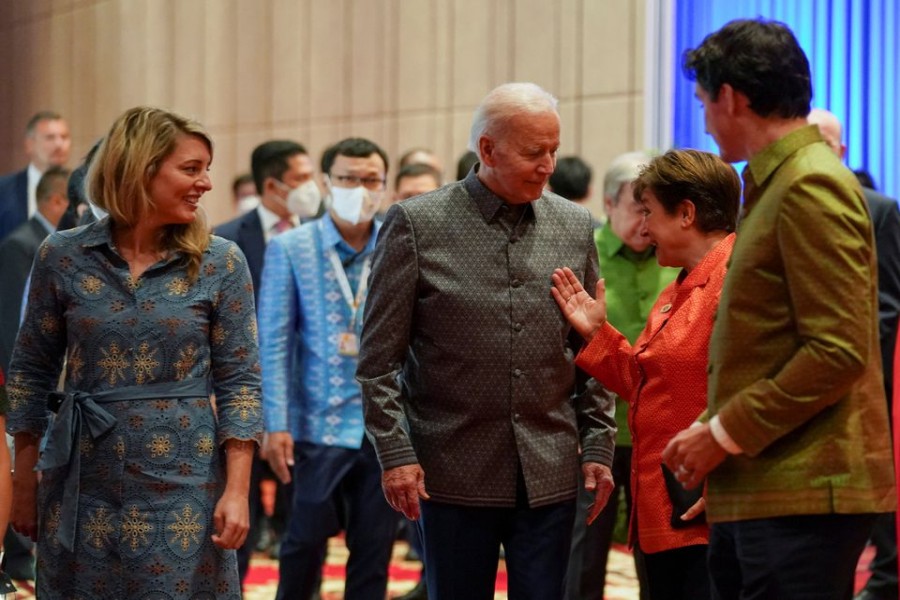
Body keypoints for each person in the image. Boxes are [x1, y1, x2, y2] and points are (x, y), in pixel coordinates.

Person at [661, 18, 896, 599]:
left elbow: (837, 350)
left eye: (703, 102)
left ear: (732, 98)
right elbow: (770, 340)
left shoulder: (809, 184)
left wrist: (722, 431)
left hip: (805, 490)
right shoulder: (777, 182)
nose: (706, 120)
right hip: (773, 481)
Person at [357, 82, 616, 600]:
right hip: (451, 469)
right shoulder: (417, 224)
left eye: (554, 151)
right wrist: (396, 453)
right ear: (488, 150)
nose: (548, 165)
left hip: (550, 467)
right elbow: (378, 362)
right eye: (534, 152)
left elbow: (589, 347)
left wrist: (598, 444)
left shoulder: (574, 224)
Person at [6, 106, 263, 598]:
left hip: (185, 484)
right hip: (80, 480)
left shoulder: (221, 260)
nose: (206, 183)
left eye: (207, 169)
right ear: (141, 169)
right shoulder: (61, 254)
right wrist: (22, 485)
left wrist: (237, 490)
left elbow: (241, 384)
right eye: (191, 169)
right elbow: (29, 373)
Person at [553, 149, 740, 599]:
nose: (643, 228)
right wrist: (597, 334)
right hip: (666, 506)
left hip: (704, 509)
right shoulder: (682, 284)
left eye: (649, 213)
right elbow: (648, 382)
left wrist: (729, 473)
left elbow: (753, 387)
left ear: (686, 214)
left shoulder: (735, 281)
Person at [260, 137, 399, 600]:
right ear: (326, 182)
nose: (358, 188)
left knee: (374, 548)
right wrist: (275, 423)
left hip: (383, 427)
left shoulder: (399, 244)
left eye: (370, 180)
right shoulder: (291, 248)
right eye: (347, 179)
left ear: (384, 186)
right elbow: (274, 342)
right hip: (317, 424)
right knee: (303, 542)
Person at [564, 151, 678, 600]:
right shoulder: (583, 257)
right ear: (609, 204)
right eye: (638, 207)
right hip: (596, 428)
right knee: (583, 555)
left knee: (659, 554)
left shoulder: (674, 259)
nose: (647, 222)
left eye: (654, 209)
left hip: (660, 432)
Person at [215, 140, 318, 584]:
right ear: (272, 185)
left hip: (304, 395)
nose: (312, 188)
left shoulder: (319, 233)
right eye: (302, 179)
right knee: (241, 508)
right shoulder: (225, 239)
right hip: (239, 393)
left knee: (306, 516)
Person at [808, 107, 900, 600]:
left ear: (841, 151)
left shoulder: (877, 209)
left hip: (866, 377)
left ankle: (886, 579)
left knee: (876, 486)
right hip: (806, 382)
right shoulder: (783, 203)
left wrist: (852, 363)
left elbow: (887, 304)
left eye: (824, 142)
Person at [0, 166, 70, 375]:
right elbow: (14, 319)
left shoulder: (57, 242)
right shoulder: (20, 245)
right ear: (57, 201)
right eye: (75, 203)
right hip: (27, 375)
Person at [0, 111, 71, 242]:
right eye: (50, 137)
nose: (59, 144)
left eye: (64, 137)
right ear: (29, 145)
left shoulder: (81, 189)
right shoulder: (3, 190)